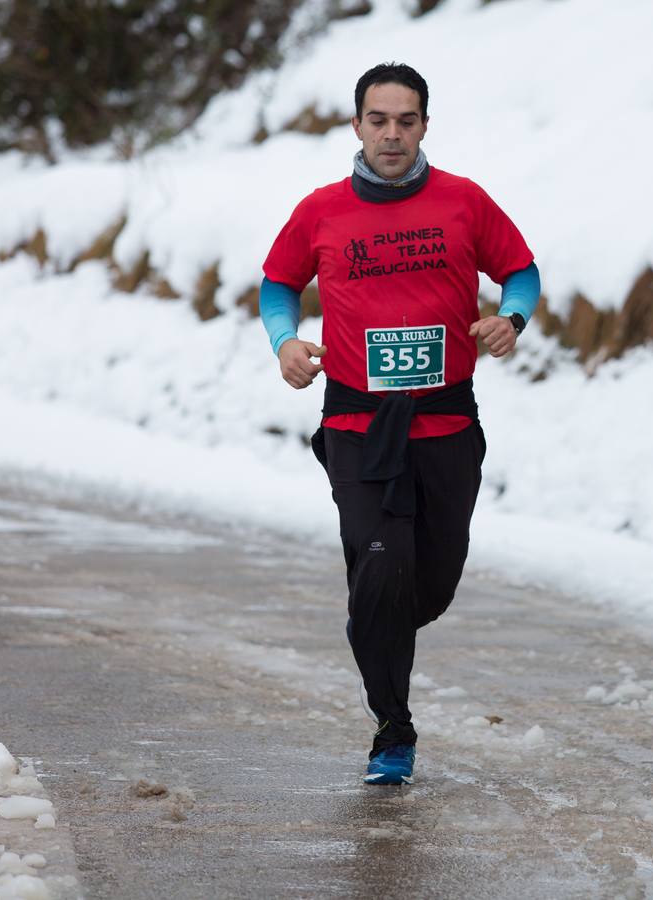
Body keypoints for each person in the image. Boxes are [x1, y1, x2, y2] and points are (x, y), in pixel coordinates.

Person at [259, 62, 540, 785]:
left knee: (431, 585)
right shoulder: (322, 209)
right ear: (356, 126)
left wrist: (511, 319)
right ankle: (393, 726)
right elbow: (277, 284)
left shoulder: (464, 202)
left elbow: (522, 271)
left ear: (423, 126)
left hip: (447, 425)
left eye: (405, 120)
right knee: (382, 564)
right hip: (359, 427)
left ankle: (375, 623)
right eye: (378, 119)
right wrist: (286, 341)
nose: (391, 133)